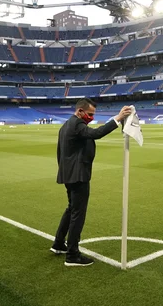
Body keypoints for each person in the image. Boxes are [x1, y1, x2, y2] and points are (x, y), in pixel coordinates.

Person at [51, 99, 132, 267]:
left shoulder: (65, 125)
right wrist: (117, 118)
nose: (91, 117)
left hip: (68, 174)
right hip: (78, 175)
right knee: (77, 214)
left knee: (71, 209)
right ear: (80, 111)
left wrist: (65, 172)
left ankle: (59, 243)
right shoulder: (77, 125)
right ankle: (72, 255)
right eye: (90, 114)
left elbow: (60, 152)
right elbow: (96, 133)